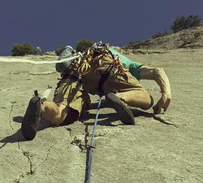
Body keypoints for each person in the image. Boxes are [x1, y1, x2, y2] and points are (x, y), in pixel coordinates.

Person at [21, 42, 172, 141]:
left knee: (60, 114)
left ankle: (42, 106)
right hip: (108, 67)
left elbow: (62, 67)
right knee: (147, 99)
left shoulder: (80, 59)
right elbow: (157, 71)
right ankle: (121, 97)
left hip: (77, 74)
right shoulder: (125, 62)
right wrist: (166, 94)